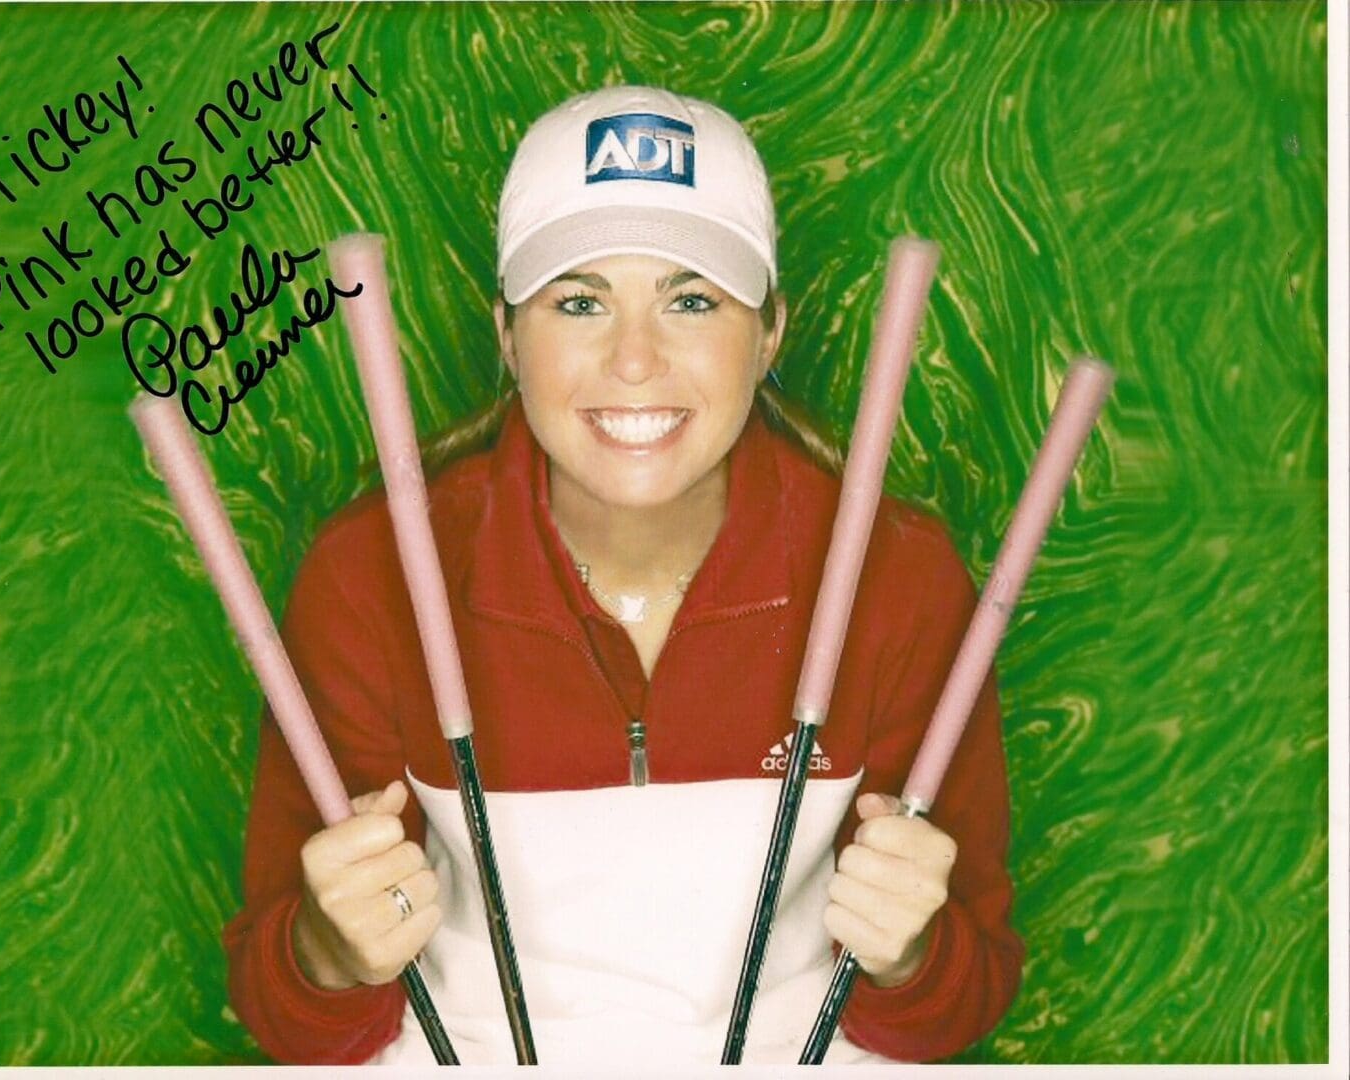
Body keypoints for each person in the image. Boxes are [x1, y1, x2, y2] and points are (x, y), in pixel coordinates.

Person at [222, 85, 1023, 1066]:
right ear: (509, 337)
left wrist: (915, 960)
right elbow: (287, 1014)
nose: (635, 360)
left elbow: (961, 1000)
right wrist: (326, 952)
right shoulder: (371, 575)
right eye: (579, 301)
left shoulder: (899, 579)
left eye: (691, 299)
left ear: (770, 332)